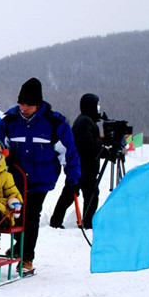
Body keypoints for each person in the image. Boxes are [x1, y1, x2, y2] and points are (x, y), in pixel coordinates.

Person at [0, 77, 81, 271]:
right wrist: (3, 158)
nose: (24, 108)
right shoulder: (9, 121)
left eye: (29, 105)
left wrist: (73, 178)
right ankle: (19, 246)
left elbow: (68, 153)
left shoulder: (54, 123)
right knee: (15, 215)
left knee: (31, 215)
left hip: (40, 179)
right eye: (22, 103)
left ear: (39, 104)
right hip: (14, 179)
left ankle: (27, 258)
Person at [50, 93, 104, 229]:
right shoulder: (84, 122)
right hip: (83, 166)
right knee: (80, 194)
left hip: (83, 166)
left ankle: (58, 220)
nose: (98, 108)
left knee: (74, 193)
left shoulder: (86, 120)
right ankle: (83, 223)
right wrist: (102, 143)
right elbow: (87, 144)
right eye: (96, 105)